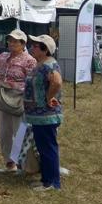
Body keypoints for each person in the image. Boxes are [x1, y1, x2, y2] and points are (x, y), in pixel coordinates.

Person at [0, 29, 36, 173]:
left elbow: (33, 82)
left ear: (23, 44)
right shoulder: (2, 56)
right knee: (4, 133)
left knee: (20, 132)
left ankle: (22, 164)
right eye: (10, 40)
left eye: (15, 41)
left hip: (19, 100)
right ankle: (9, 164)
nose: (11, 43)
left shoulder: (29, 60)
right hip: (2, 99)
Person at [24, 34, 63, 191]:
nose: (31, 48)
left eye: (35, 46)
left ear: (45, 50)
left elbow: (57, 81)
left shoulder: (49, 65)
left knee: (48, 148)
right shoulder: (41, 64)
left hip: (46, 115)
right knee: (43, 148)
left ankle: (53, 182)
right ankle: (46, 179)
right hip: (39, 115)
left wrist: (49, 97)